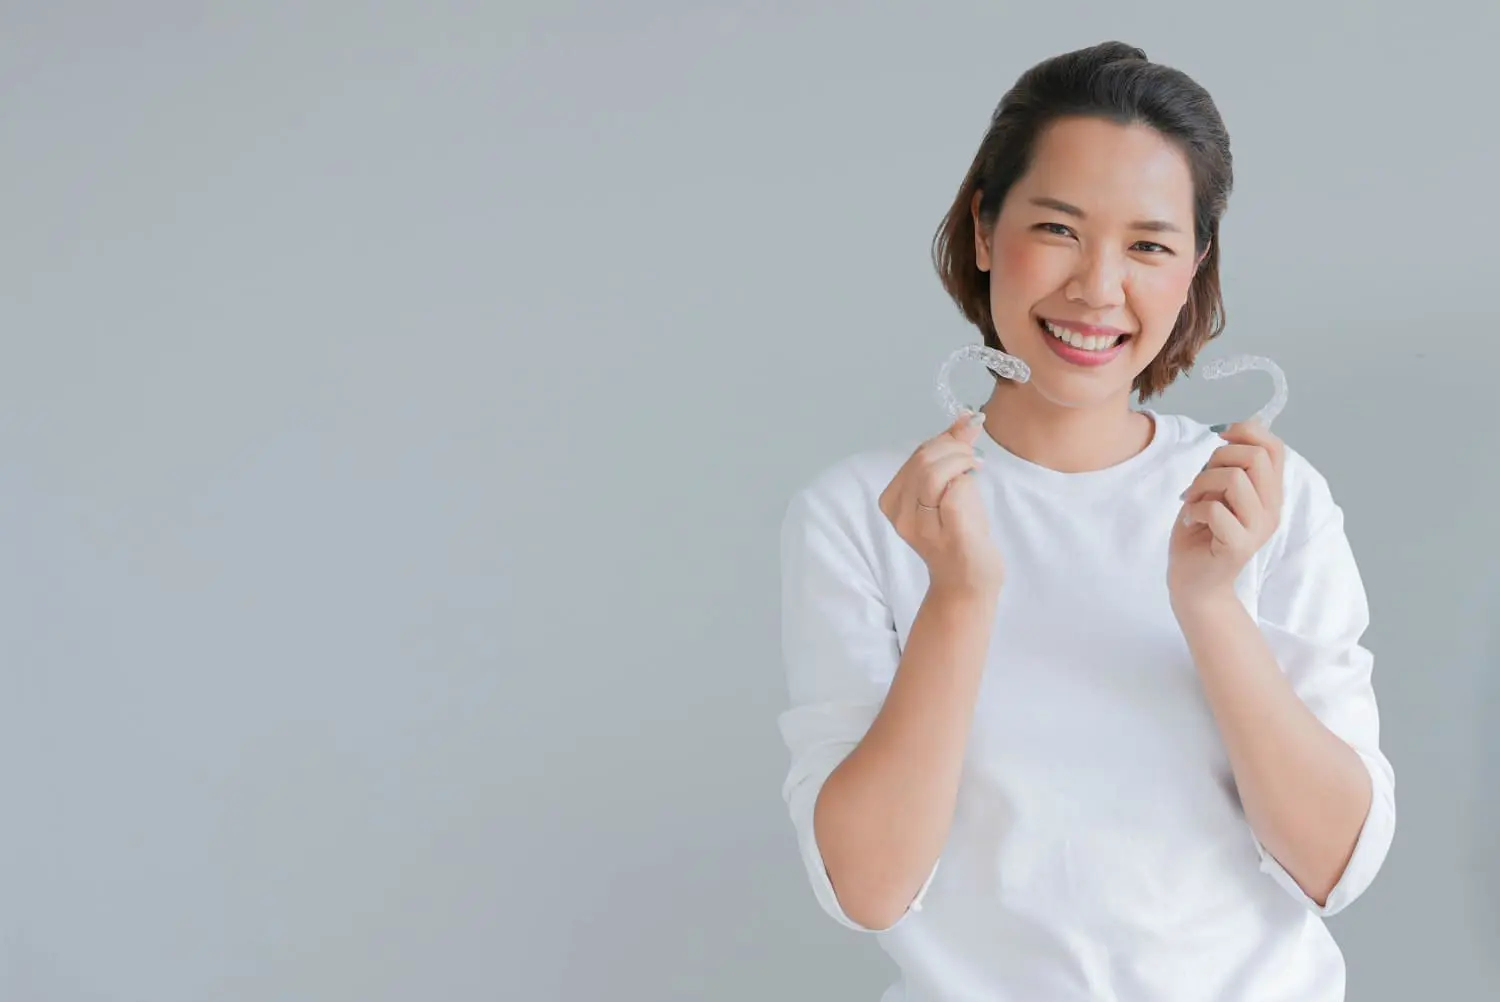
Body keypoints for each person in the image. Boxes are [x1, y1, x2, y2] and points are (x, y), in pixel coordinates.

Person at [775, 41, 1396, 1001]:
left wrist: (1210, 602)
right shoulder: (868, 514)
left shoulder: (1264, 499)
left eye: (1149, 245)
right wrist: (960, 596)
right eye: (1058, 229)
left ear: (1193, 269)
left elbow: (1335, 867)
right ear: (984, 231)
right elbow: (869, 889)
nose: (1098, 289)